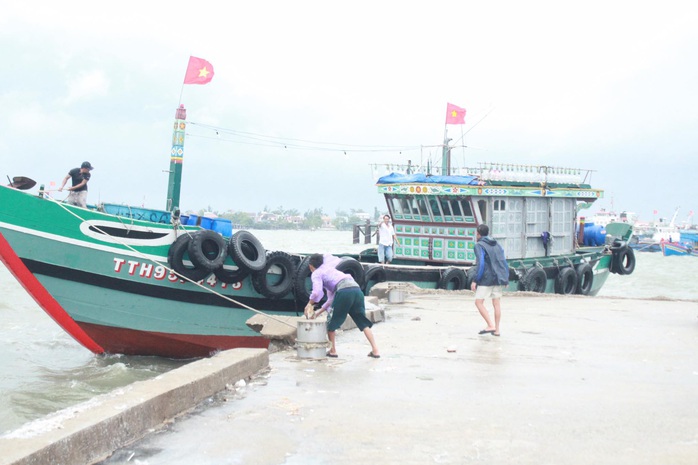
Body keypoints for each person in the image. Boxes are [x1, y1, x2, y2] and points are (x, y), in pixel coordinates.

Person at [305, 253, 380, 358]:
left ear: (310, 266)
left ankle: (333, 350)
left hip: (344, 291)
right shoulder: (330, 269)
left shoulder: (316, 273)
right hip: (356, 290)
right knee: (362, 322)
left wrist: (309, 304)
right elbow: (331, 300)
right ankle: (375, 350)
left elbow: (317, 293)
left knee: (331, 323)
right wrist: (318, 313)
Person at [470, 224, 509, 337]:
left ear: (478, 234)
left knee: (478, 302)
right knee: (496, 303)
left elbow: (481, 263)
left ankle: (490, 325)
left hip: (486, 279)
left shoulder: (479, 245)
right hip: (498, 278)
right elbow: (503, 260)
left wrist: (475, 280)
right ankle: (497, 330)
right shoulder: (496, 244)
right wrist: (505, 277)